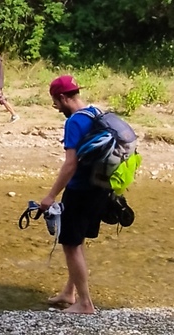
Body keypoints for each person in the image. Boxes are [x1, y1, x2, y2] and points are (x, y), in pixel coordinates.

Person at [39, 75, 108, 315]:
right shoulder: (95, 112)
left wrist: (50, 196)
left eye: (55, 103)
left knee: (69, 244)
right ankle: (70, 293)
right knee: (78, 241)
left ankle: (85, 304)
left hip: (80, 190)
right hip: (100, 187)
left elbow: (70, 164)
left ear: (62, 97)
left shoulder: (74, 122)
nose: (56, 108)